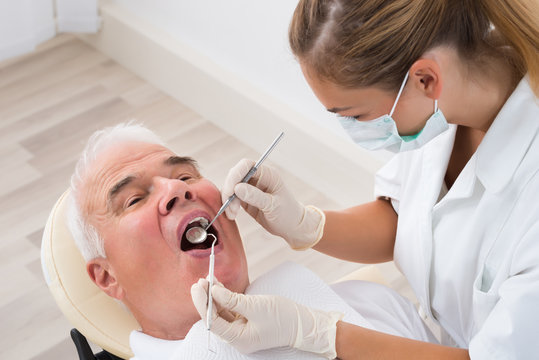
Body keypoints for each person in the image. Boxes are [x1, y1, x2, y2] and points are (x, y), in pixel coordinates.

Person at [191, 0, 539, 359]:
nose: (355, 129)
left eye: (356, 115)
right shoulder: (439, 108)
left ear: (425, 79)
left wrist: (318, 333)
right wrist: (305, 224)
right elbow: (404, 220)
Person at [67, 123, 434, 359]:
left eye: (185, 174)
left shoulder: (373, 305)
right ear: (106, 277)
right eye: (134, 199)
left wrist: (325, 335)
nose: (177, 188)